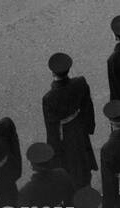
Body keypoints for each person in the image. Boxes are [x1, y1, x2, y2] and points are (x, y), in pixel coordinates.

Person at [41, 53, 96, 190]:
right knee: (84, 162)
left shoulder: (49, 98)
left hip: (64, 135)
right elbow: (87, 107)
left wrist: (53, 152)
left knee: (69, 168)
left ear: (52, 72)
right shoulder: (80, 83)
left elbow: (51, 128)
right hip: (79, 128)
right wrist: (89, 127)